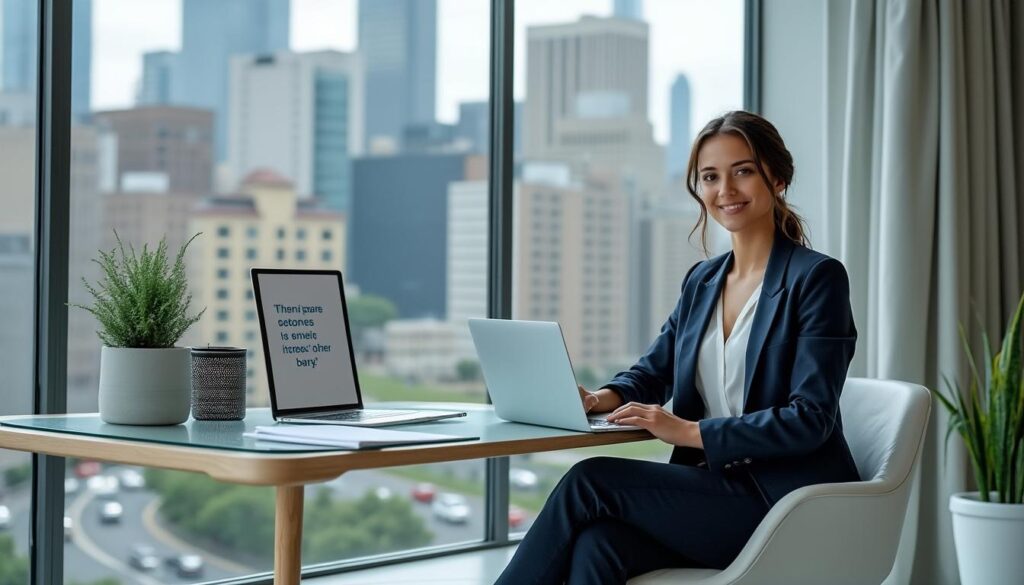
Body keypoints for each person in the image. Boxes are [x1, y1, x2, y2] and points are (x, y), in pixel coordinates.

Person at [495, 110, 861, 585]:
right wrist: (599, 399)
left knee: (589, 482)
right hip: (715, 491)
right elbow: (653, 371)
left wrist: (689, 431)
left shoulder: (816, 278)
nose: (725, 189)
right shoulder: (703, 280)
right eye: (710, 176)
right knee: (598, 545)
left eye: (743, 171)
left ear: (778, 177)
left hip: (784, 502)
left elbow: (811, 418)